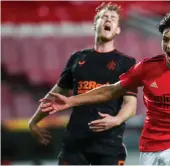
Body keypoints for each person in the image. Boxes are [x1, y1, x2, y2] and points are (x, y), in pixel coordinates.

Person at [40, 9, 170, 165]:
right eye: (165, 40)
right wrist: (70, 100)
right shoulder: (147, 68)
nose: (169, 45)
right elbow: (111, 90)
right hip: (151, 146)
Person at [28, 2, 137, 165]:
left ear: (117, 29)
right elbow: (56, 94)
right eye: (103, 17)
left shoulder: (126, 63)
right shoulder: (77, 58)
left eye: (113, 18)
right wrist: (34, 121)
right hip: (75, 143)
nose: (108, 20)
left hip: (109, 144)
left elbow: (131, 104)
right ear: (95, 25)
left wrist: (116, 120)